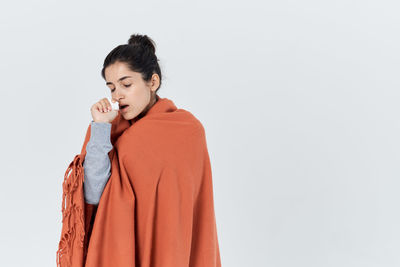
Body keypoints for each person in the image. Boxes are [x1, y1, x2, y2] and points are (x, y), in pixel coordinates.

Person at [56, 33, 221, 267]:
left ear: (152, 82)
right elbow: (92, 195)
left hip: (172, 250)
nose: (117, 95)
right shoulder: (107, 129)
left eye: (126, 84)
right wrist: (101, 127)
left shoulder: (188, 131)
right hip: (121, 249)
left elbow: (195, 211)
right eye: (111, 88)